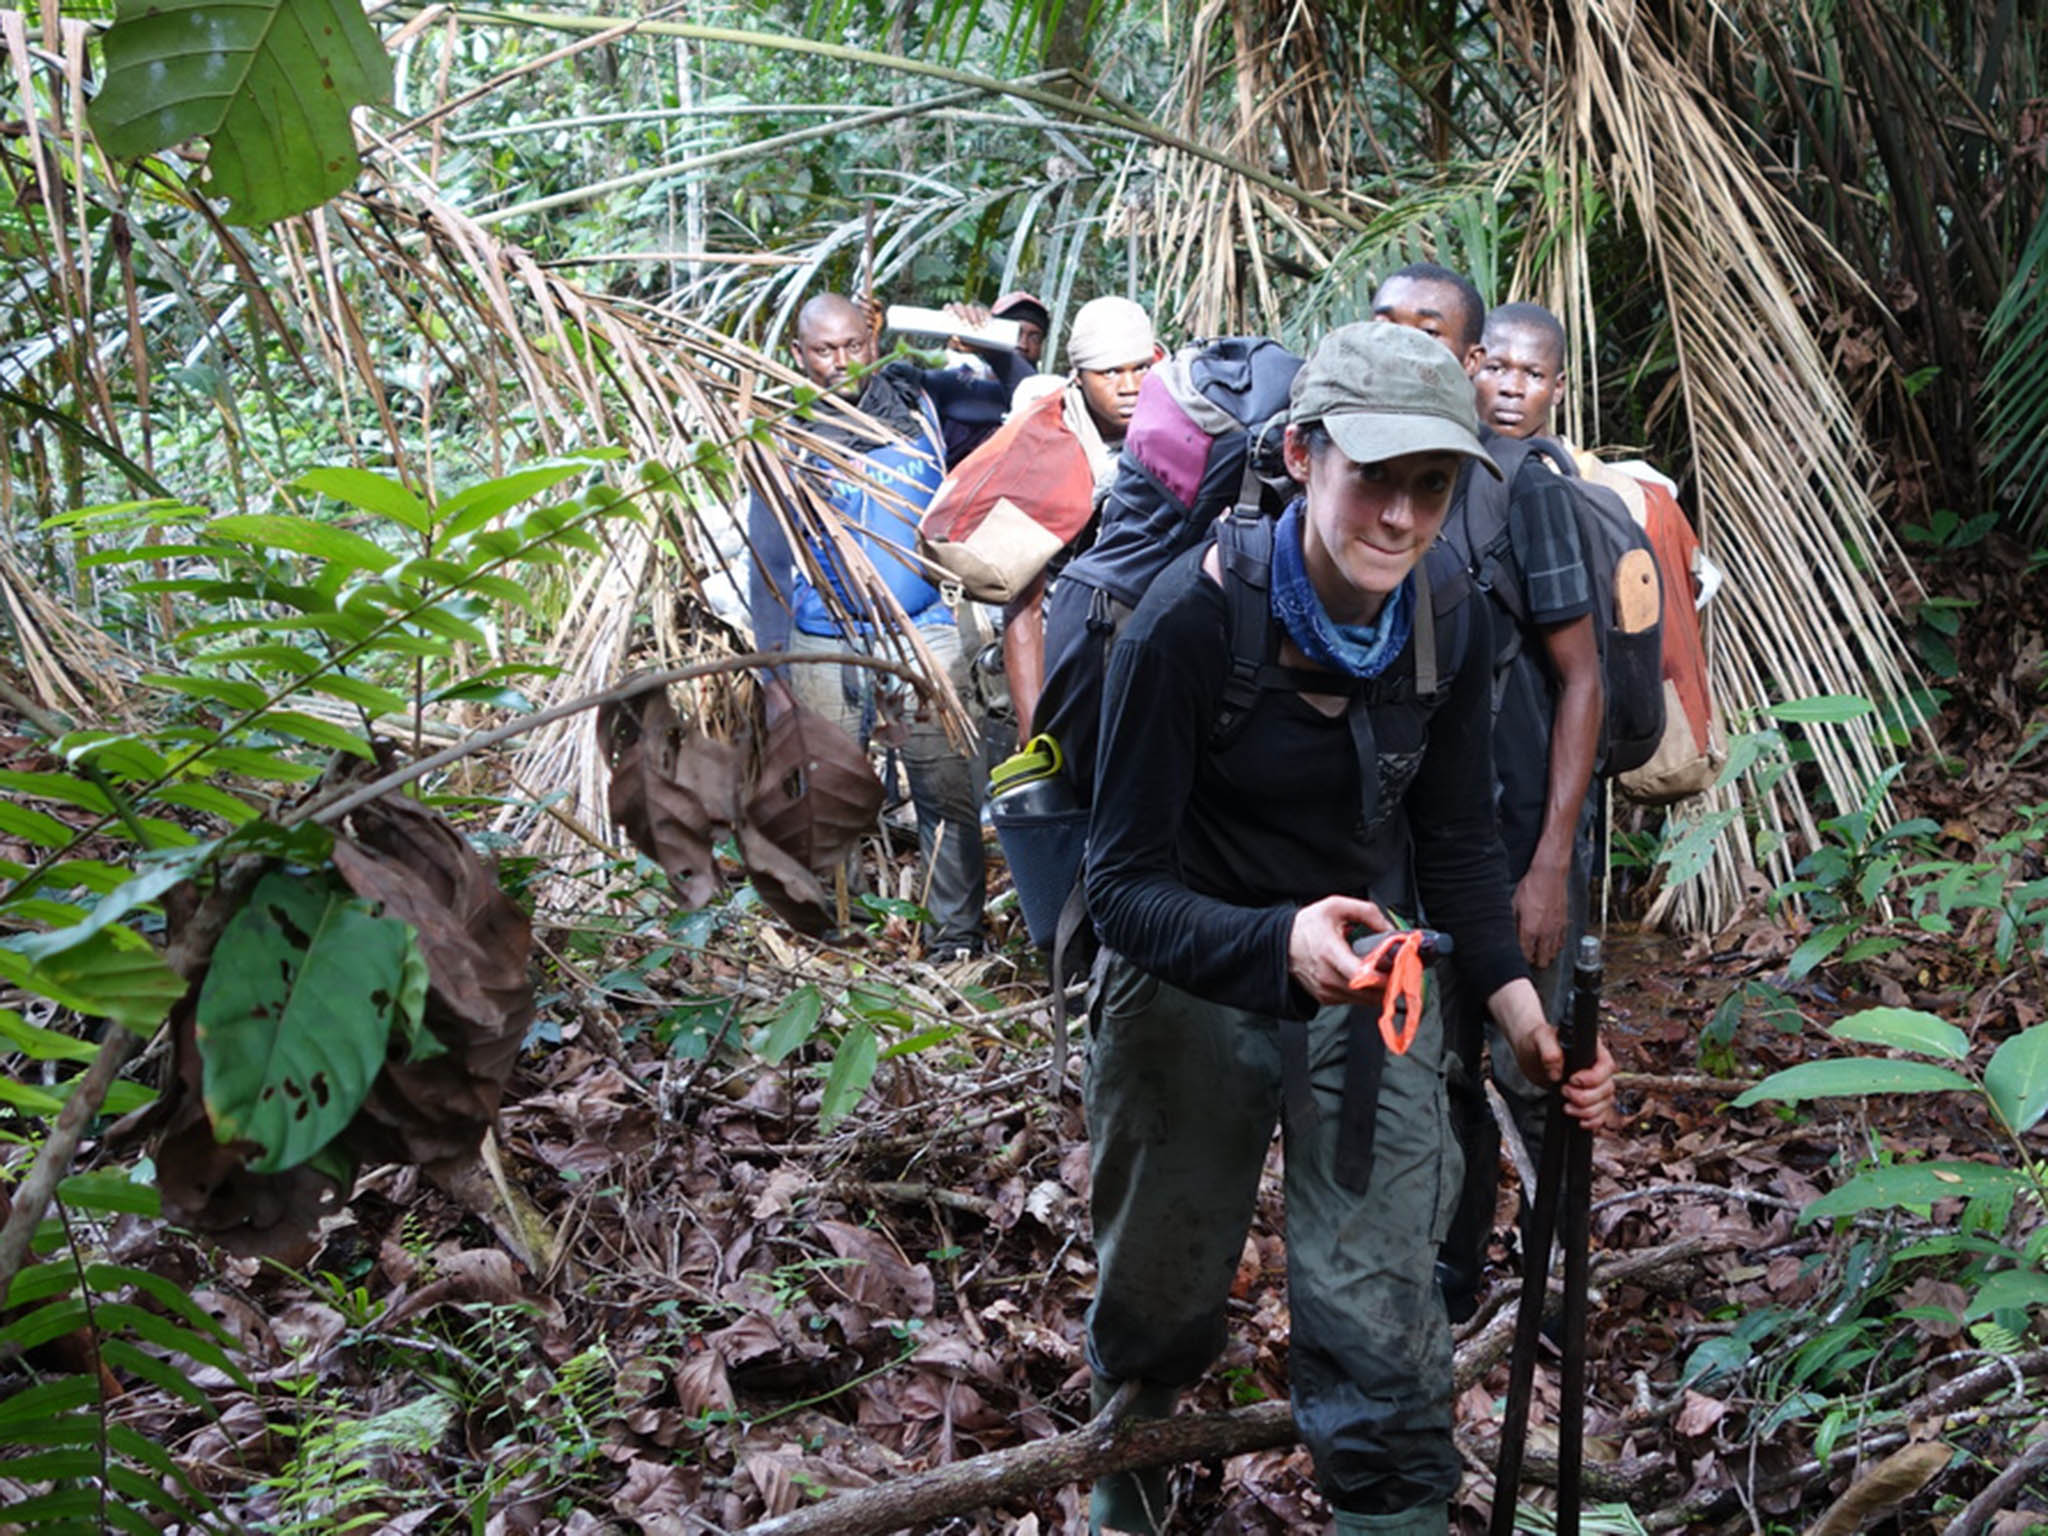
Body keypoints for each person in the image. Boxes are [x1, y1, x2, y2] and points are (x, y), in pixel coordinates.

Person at [1081, 322, 1617, 1535]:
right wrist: (1275, 943)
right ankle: (1130, 1489)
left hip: (1373, 985)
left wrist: (1525, 1025)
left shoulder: (1445, 618)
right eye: (1372, 475)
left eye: (1430, 486)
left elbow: (1457, 850)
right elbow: (1118, 888)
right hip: (1189, 980)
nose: (1398, 516)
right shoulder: (1183, 624)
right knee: (1157, 1302)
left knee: (1378, 1323)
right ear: (1298, 455)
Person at [1373, 276, 1605, 1320]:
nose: (1508, 388)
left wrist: (1551, 862)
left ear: (1556, 389)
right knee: (1444, 1071)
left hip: (1523, 839)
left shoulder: (1534, 493)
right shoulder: (1426, 484)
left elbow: (1585, 678)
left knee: (1538, 1069)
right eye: (1494, 366)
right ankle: (1455, 1275)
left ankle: (1555, 1285)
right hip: (1441, 851)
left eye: (1530, 373)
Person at [747, 292, 987, 957]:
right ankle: (837, 942)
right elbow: (766, 559)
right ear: (799, 355)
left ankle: (956, 943)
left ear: (874, 341)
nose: (841, 361)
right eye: (823, 350)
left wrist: (979, 331)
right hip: (823, 636)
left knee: (947, 790)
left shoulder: (921, 406)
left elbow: (1014, 393)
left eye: (853, 345)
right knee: (828, 798)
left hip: (924, 629)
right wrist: (773, 675)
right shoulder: (783, 435)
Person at [1000, 296, 1164, 742]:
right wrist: (1034, 740)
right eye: (1109, 372)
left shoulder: (1178, 433)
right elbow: (1024, 605)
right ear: (1079, 375)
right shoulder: (1044, 451)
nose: (1129, 385)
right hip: (1069, 657)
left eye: (1140, 366)